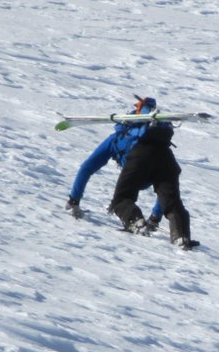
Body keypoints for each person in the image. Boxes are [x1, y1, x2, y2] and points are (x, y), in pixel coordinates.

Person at [66, 95, 198, 249]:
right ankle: (181, 235)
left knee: (121, 199)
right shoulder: (158, 138)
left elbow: (87, 168)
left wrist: (73, 200)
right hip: (166, 158)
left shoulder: (117, 138)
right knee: (172, 203)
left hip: (140, 159)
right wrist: (155, 219)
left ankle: (135, 221)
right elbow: (164, 196)